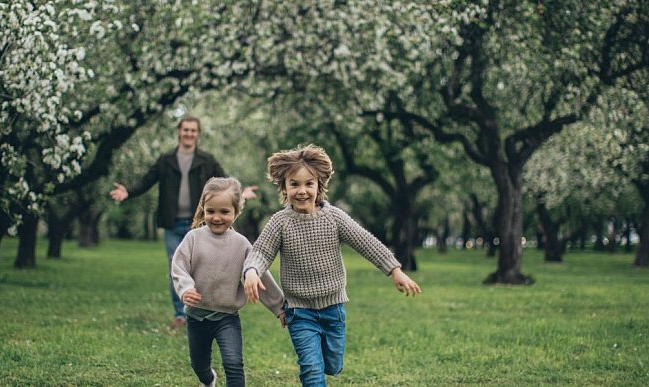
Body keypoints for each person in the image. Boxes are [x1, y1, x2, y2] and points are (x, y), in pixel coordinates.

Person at [242, 144, 421, 387]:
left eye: (309, 184)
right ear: (284, 187)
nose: (302, 191)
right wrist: (252, 271)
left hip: (333, 308)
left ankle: (327, 362)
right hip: (299, 311)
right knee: (311, 369)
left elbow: (365, 242)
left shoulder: (334, 217)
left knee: (333, 365)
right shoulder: (280, 222)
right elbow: (260, 252)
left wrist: (395, 270)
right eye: (294, 184)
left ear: (319, 186)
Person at [110, 116, 257, 329]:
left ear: (197, 133)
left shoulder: (207, 160)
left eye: (193, 130)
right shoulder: (166, 159)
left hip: (199, 223)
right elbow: (147, 180)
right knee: (176, 267)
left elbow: (226, 183)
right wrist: (128, 192)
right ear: (179, 132)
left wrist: (241, 193)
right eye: (185, 130)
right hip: (172, 222)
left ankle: (202, 312)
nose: (189, 133)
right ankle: (181, 314)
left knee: (200, 268)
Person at [171, 177, 285, 387]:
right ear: (203, 209)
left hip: (227, 318)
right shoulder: (193, 238)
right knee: (200, 366)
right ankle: (209, 380)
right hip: (196, 317)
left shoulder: (241, 244)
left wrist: (279, 307)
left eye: (224, 212)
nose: (216, 217)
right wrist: (186, 288)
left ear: (236, 212)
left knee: (234, 364)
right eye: (211, 211)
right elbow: (179, 268)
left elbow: (260, 276)